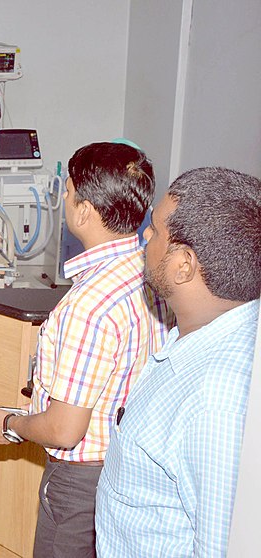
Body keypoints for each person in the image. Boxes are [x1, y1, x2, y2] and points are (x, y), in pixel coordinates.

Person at [0, 141, 171, 558]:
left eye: (66, 192)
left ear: (84, 211)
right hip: (127, 463)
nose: (62, 199)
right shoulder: (149, 274)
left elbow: (65, 430)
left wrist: (10, 424)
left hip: (80, 482)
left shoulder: (88, 306)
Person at [96, 167, 261, 557]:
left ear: (183, 265)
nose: (143, 240)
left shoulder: (217, 400)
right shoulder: (201, 333)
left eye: (153, 231)